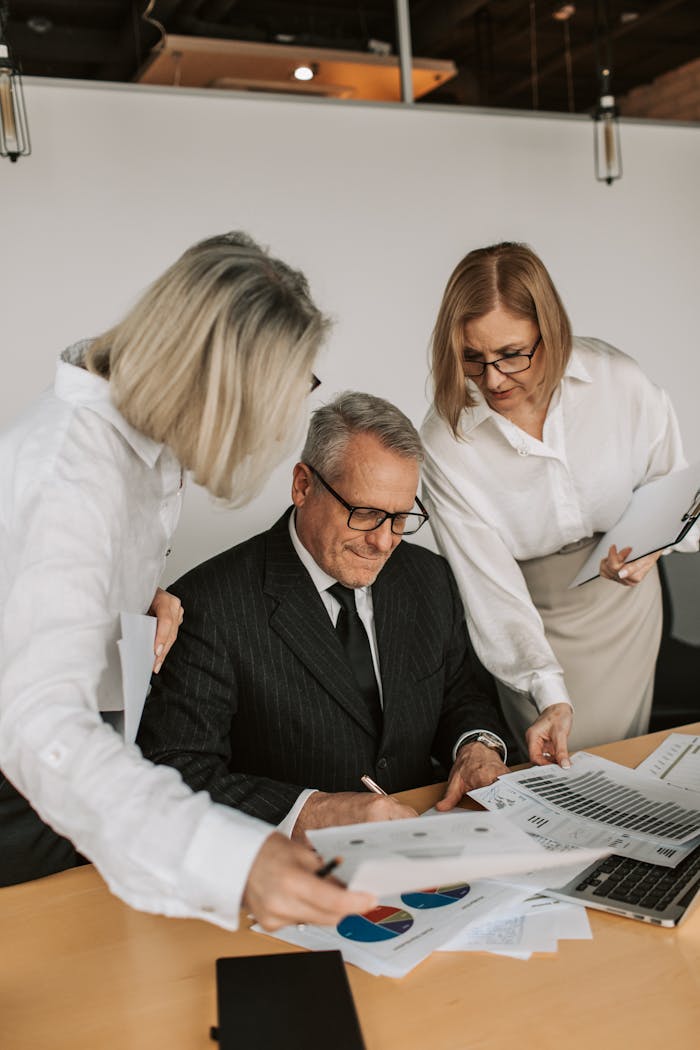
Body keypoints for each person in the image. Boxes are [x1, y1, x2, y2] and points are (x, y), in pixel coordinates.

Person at [0, 232, 375, 930]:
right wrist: (236, 862)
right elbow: (38, 727)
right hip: (24, 795)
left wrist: (127, 616)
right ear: (218, 388)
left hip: (84, 773)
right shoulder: (70, 478)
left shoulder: (136, 439)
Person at [137, 392, 509, 835]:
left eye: (400, 517)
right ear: (302, 485)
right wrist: (313, 811)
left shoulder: (429, 578)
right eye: (366, 514)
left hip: (430, 842)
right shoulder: (209, 606)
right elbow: (178, 770)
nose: (385, 542)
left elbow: (463, 695)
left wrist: (478, 745)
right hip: (286, 866)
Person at [420, 241, 698, 765]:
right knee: (560, 769)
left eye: (511, 354)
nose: (494, 379)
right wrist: (548, 690)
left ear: (551, 331)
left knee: (630, 761)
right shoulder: (444, 441)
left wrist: (653, 548)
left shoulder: (618, 380)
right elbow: (490, 592)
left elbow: (676, 488)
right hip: (529, 616)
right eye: (472, 359)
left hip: (627, 606)